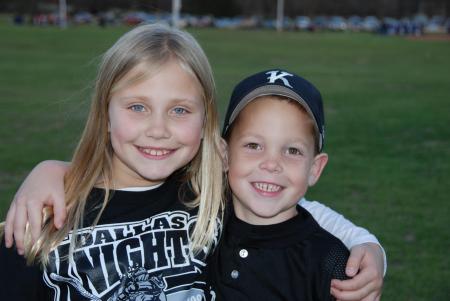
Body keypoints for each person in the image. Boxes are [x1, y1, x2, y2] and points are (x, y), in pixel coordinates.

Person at [1, 25, 384, 301]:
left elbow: (300, 212)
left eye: (180, 110)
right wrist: (52, 170)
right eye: (138, 107)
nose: (158, 129)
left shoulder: (206, 196)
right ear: (105, 113)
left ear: (207, 123)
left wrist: (369, 247)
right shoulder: (43, 217)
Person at [210, 69, 357, 300]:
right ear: (224, 155)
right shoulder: (194, 227)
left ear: (314, 169)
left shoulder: (332, 263)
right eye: (254, 145)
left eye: (292, 151)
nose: (271, 164)